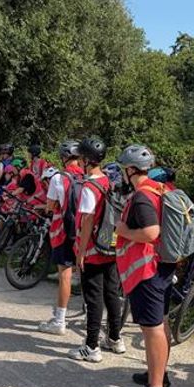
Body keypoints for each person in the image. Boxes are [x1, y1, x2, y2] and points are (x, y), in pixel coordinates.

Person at [115, 144, 175, 387]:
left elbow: (151, 232)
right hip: (162, 267)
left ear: (130, 170)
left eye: (122, 170)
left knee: (152, 329)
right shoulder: (159, 188)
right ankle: (158, 372)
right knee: (159, 324)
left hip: (147, 271)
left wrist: (123, 230)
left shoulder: (141, 196)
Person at [69, 137, 126, 362]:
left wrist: (81, 254)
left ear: (85, 160)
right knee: (112, 293)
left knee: (93, 298)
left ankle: (91, 346)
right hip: (110, 246)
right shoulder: (108, 182)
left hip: (93, 249)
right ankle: (115, 338)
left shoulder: (89, 187)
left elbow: (87, 222)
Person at [38, 140, 84, 335]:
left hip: (65, 230)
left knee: (64, 274)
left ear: (64, 158)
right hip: (87, 231)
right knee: (88, 275)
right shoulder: (89, 176)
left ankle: (59, 321)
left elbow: (50, 206)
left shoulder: (58, 178)